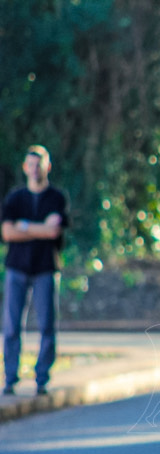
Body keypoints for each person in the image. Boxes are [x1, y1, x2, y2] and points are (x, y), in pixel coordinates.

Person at [1, 146, 70, 396]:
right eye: (30, 164)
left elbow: (53, 232)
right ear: (24, 167)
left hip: (45, 269)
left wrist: (25, 226)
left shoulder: (56, 198)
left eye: (39, 164)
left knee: (47, 325)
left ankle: (42, 379)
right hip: (16, 269)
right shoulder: (15, 198)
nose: (35, 168)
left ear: (47, 167)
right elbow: (7, 233)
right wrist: (39, 228)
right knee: (11, 326)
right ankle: (10, 378)